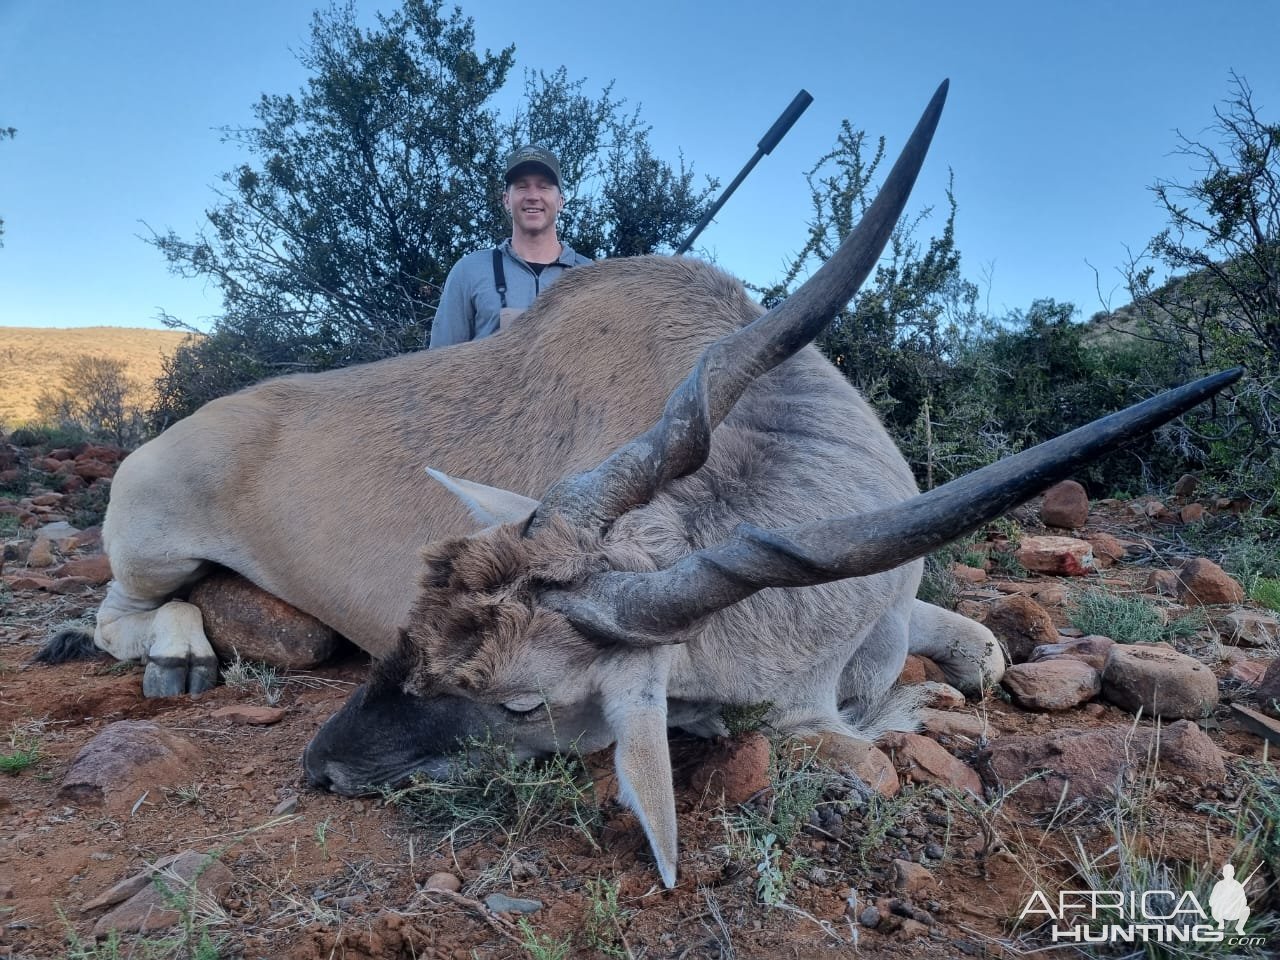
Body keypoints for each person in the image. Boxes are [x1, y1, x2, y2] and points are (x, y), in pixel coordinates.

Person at [429, 145, 592, 349]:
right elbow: (439, 364)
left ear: (560, 201)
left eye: (544, 187)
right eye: (522, 186)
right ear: (506, 200)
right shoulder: (468, 271)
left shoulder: (591, 276)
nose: (533, 196)